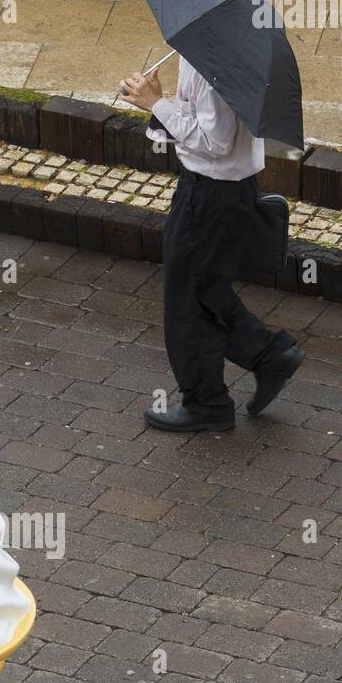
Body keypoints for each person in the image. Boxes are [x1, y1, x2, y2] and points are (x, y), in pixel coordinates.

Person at [120, 56, 303, 433]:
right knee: (204, 291)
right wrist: (158, 104)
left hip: (211, 195)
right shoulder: (214, 53)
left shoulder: (212, 65)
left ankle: (207, 403)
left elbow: (215, 141)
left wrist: (157, 104)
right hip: (217, 191)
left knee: (187, 300)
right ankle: (269, 355)